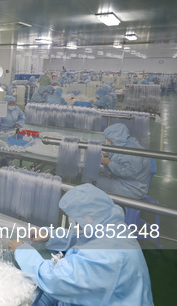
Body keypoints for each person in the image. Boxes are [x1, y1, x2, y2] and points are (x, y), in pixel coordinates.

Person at [8, 184, 153, 306]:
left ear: (89, 217)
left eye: (77, 220)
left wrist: (22, 251)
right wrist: (49, 235)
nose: (75, 224)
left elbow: (54, 279)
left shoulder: (104, 254)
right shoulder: (108, 226)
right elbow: (81, 237)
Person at [97, 123, 151, 199]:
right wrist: (109, 156)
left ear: (116, 138)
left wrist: (109, 163)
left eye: (110, 141)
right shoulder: (128, 142)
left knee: (96, 181)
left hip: (131, 189)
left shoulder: (132, 153)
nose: (110, 143)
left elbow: (126, 172)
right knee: (100, 174)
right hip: (127, 182)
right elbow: (120, 156)